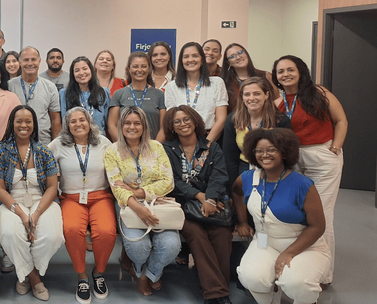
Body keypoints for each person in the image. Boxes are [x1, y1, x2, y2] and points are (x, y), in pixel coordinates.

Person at [272, 55, 347, 285]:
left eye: (290, 69)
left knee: (322, 215)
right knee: (300, 215)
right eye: (281, 71)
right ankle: (304, 262)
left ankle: (324, 274)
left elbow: (341, 120)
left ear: (301, 71)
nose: (285, 74)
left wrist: (335, 147)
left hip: (322, 157)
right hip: (294, 159)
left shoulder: (320, 93)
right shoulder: (278, 103)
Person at [233, 128, 330, 304]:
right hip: (265, 242)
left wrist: (288, 253)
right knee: (251, 277)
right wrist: (242, 221)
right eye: (259, 150)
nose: (264, 155)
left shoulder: (302, 184)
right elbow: (237, 193)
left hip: (304, 246)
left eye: (271, 149)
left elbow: (318, 226)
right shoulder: (247, 178)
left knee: (297, 283)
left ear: (284, 152)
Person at [0, 105, 64, 301]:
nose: (24, 125)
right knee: (11, 234)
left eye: (28, 121)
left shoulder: (43, 150)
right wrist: (22, 214)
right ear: (12, 124)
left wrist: (36, 214)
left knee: (53, 236)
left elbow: (52, 187)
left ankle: (24, 272)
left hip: (42, 201)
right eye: (19, 121)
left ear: (34, 124)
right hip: (12, 202)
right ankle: (33, 278)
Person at [103, 106, 179, 296]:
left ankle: (148, 275)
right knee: (138, 247)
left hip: (158, 205)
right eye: (127, 123)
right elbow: (117, 187)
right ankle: (138, 267)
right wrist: (138, 207)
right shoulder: (112, 151)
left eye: (137, 123)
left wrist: (140, 193)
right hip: (128, 207)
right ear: (121, 126)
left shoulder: (157, 147)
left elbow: (168, 182)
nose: (132, 127)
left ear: (144, 126)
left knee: (171, 245)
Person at [162, 106, 233, 304]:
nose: (183, 124)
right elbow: (171, 180)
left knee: (222, 236)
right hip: (183, 207)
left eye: (186, 119)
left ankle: (217, 292)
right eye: (177, 121)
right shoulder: (166, 149)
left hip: (213, 203)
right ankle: (218, 294)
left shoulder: (212, 147)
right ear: (172, 127)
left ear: (195, 122)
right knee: (197, 236)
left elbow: (220, 175)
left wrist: (210, 199)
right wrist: (199, 196)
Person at [48, 107, 114, 304]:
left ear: (89, 122)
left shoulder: (103, 142)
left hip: (101, 196)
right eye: (73, 121)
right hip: (71, 198)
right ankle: (82, 276)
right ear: (67, 126)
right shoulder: (58, 144)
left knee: (106, 231)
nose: (78, 124)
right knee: (71, 229)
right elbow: (43, 159)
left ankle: (99, 272)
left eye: (82, 120)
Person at [223, 76, 291, 186]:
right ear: (242, 97)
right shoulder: (233, 120)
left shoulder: (280, 121)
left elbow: (286, 155)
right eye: (247, 94)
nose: (251, 98)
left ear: (267, 95)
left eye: (257, 93)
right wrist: (233, 188)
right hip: (243, 169)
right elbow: (230, 158)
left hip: (273, 171)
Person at [165, 42, 228, 144]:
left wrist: (206, 145)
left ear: (202, 60)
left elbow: (221, 119)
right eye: (186, 56)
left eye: (195, 56)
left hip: (211, 138)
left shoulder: (217, 83)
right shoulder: (171, 87)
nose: (190, 60)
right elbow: (172, 119)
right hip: (181, 141)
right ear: (181, 61)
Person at [8, 47, 61, 145]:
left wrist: (55, 145)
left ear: (39, 61)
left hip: (43, 143)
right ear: (20, 63)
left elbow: (55, 119)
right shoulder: (9, 86)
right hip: (15, 143)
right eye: (26, 60)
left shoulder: (50, 87)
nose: (30, 63)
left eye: (33, 59)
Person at [108, 52, 166, 143]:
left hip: (152, 152)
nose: (139, 70)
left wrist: (154, 148)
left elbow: (164, 128)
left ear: (149, 69)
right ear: (129, 69)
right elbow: (111, 125)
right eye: (135, 66)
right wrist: (124, 146)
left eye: (143, 66)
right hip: (125, 151)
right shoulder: (119, 94)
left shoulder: (159, 94)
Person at [59, 56, 110, 134]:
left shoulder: (103, 92)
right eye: (77, 70)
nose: (82, 73)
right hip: (74, 141)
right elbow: (65, 123)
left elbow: (108, 124)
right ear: (73, 74)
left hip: (99, 141)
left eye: (85, 68)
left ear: (91, 70)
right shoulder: (64, 94)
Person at [221, 43, 276, 113]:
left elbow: (276, 101)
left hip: (265, 121)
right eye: (232, 56)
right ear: (229, 63)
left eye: (240, 52)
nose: (238, 57)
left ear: (246, 54)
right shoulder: (225, 82)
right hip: (235, 122)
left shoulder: (266, 76)